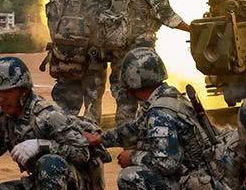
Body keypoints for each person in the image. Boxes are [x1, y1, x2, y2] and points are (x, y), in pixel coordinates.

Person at [87, 47, 219, 190]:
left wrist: (133, 157)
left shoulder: (160, 114)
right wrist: (100, 138)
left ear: (132, 80)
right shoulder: (168, 96)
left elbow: (167, 164)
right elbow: (135, 129)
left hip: (196, 181)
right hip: (201, 175)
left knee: (129, 177)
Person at [0, 56, 106, 190]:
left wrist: (42, 146)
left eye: (7, 92)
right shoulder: (5, 117)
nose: (1, 99)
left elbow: (81, 152)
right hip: (40, 181)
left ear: (23, 90)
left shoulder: (47, 115)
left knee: (50, 163)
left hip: (75, 183)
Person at [102, 0, 191, 124]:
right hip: (142, 55)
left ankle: (126, 138)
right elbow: (168, 16)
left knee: (124, 100)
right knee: (149, 99)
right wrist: (193, 30)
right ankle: (148, 136)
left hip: (118, 51)